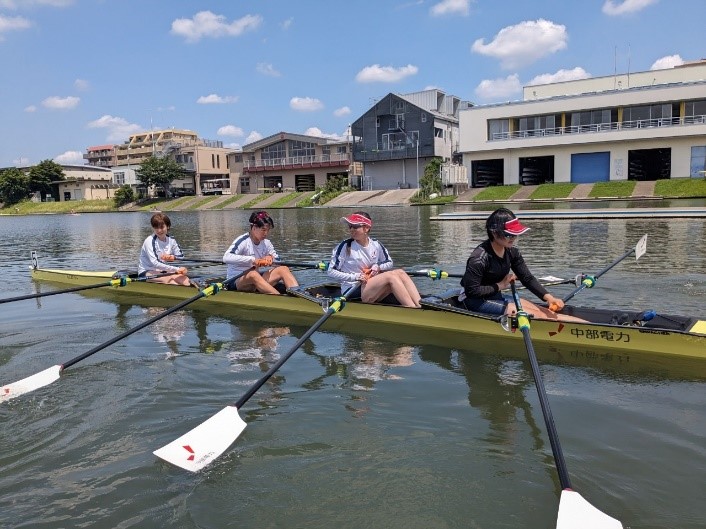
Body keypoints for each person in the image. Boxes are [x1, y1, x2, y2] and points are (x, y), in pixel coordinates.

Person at [459, 208, 585, 322]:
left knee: (543, 310)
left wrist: (549, 298)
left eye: (515, 234)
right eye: (509, 234)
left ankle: (585, 324)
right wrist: (500, 285)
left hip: (495, 296)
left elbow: (527, 278)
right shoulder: (479, 258)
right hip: (476, 301)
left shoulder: (512, 252)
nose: (513, 238)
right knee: (538, 316)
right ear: (494, 233)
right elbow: (471, 291)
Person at [327, 211, 421, 308]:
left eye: (355, 227)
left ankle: (419, 305)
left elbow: (389, 262)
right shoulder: (345, 246)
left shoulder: (376, 245)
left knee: (400, 272)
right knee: (391, 277)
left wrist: (378, 266)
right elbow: (331, 271)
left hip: (372, 286)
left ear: (366, 228)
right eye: (350, 226)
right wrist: (355, 276)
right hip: (352, 289)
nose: (351, 230)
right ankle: (413, 309)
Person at [222, 210, 299, 294]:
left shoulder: (266, 243)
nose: (266, 233)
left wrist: (270, 258)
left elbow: (278, 262)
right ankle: (282, 300)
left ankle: (298, 295)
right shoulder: (243, 241)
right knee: (253, 274)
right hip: (236, 281)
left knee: (284, 269)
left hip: (255, 280)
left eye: (268, 230)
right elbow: (226, 257)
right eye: (263, 230)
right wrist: (253, 260)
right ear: (254, 228)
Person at [138, 212, 192, 286]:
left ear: (168, 226)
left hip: (162, 271)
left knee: (183, 278)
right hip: (146, 271)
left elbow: (181, 257)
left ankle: (193, 288)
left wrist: (173, 257)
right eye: (156, 228)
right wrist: (177, 269)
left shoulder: (171, 240)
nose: (159, 230)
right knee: (168, 279)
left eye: (162, 227)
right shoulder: (150, 241)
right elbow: (155, 263)